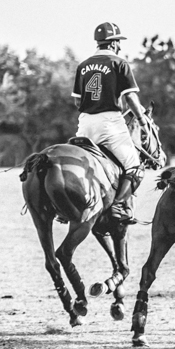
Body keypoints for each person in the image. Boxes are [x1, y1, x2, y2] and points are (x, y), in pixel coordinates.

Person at [71, 22, 149, 224]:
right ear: (113, 43)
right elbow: (131, 98)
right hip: (110, 124)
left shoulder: (83, 65)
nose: (120, 47)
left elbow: (77, 101)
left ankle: (68, 207)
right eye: (118, 42)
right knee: (135, 167)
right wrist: (141, 121)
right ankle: (118, 206)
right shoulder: (119, 63)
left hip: (85, 124)